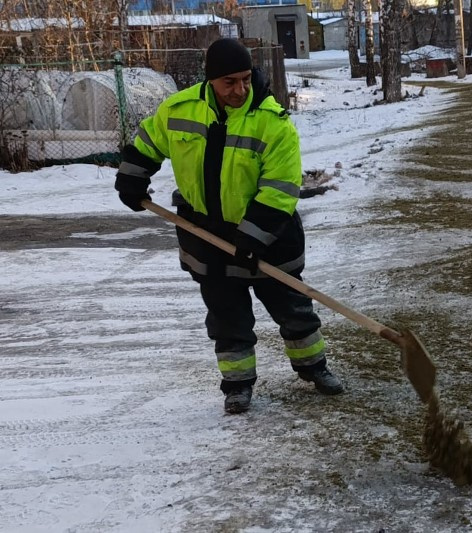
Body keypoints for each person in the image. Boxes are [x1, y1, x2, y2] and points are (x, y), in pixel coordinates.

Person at [115, 38, 344, 414]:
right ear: (211, 81)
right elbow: (148, 142)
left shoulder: (273, 123)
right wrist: (132, 177)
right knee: (226, 316)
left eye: (245, 80)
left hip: (269, 237)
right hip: (206, 235)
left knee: (294, 310)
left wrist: (253, 236)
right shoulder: (178, 110)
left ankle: (314, 368)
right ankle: (237, 386)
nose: (240, 90)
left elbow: (280, 188)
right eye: (230, 83)